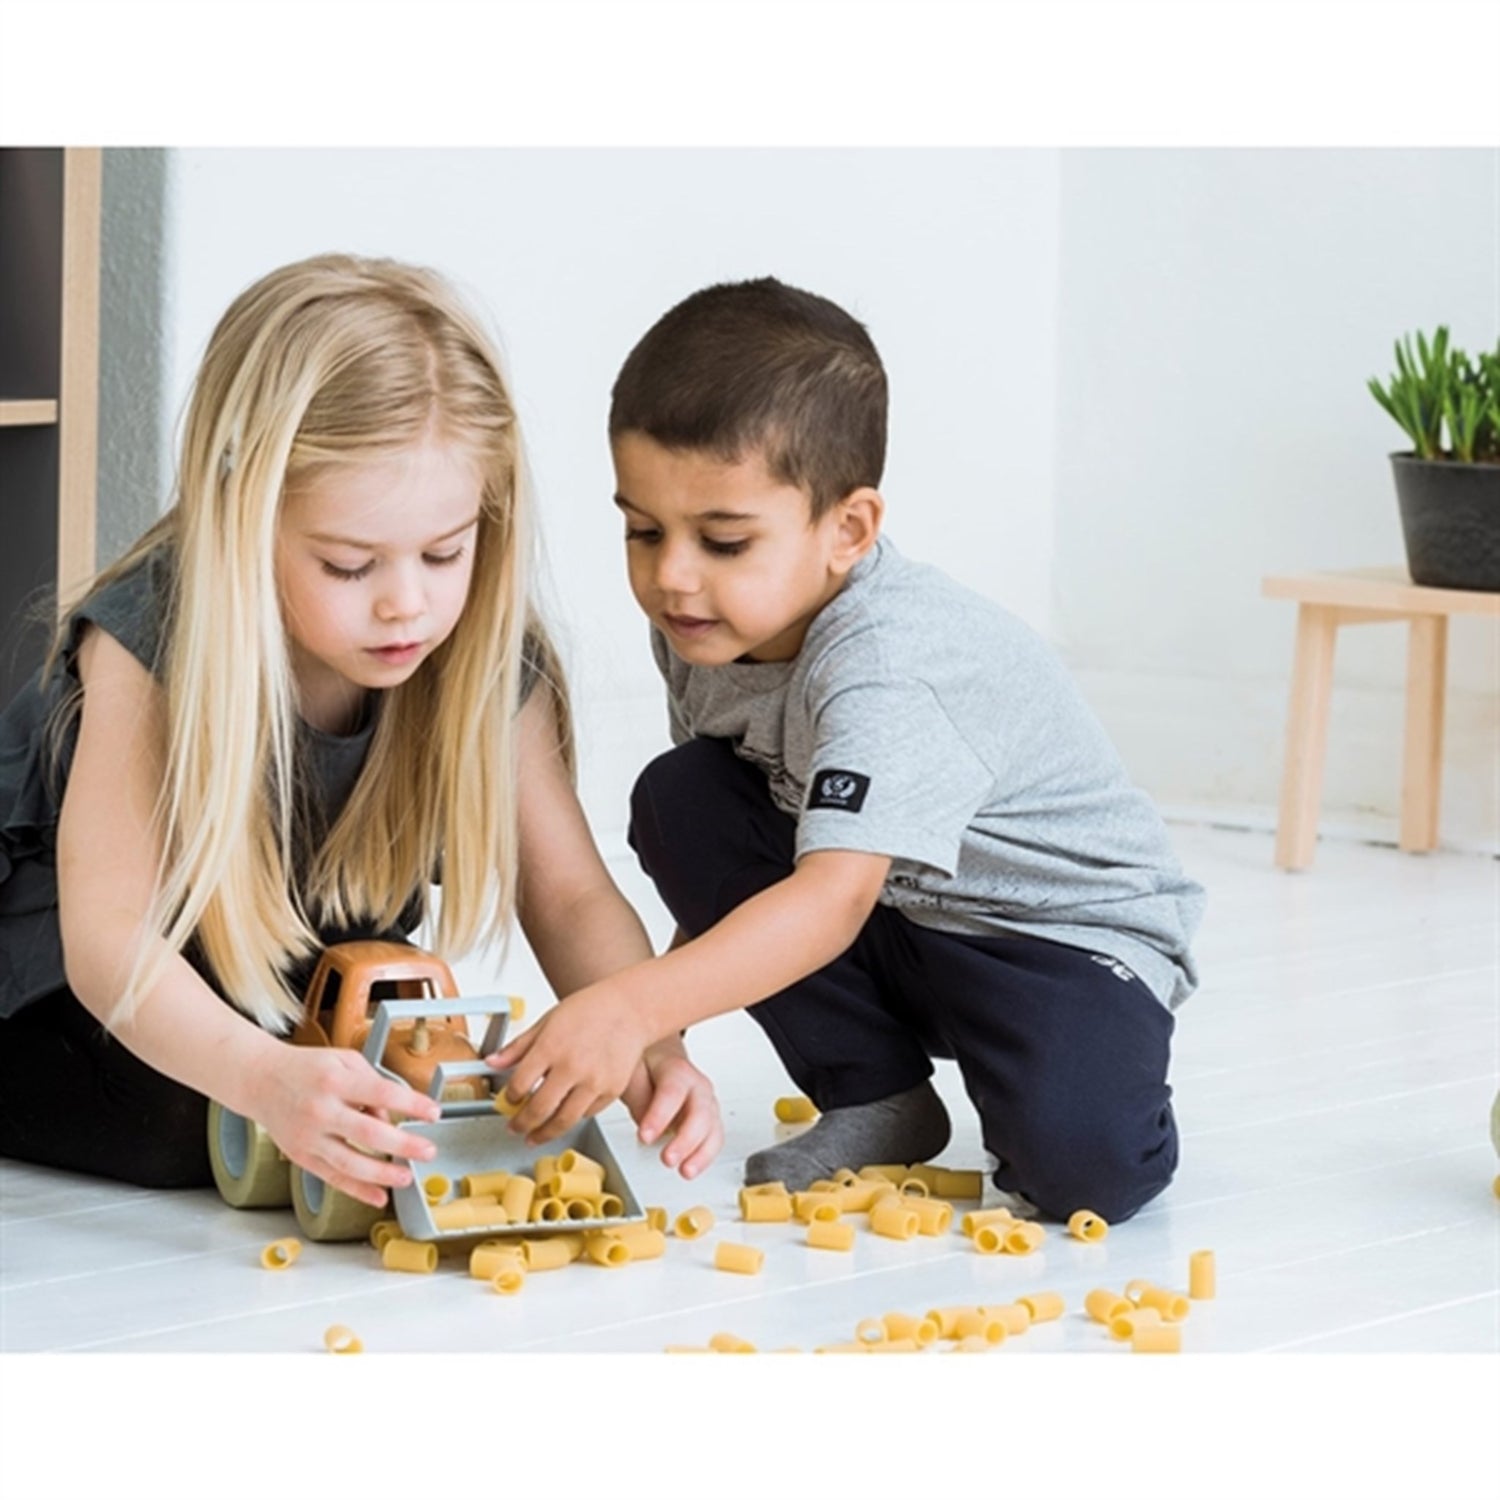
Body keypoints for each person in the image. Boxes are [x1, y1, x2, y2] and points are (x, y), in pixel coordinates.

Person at [0, 253, 721, 1207]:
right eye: (349, 565)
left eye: (444, 553)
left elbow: (570, 894)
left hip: (278, 962)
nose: (406, 605)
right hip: (60, 982)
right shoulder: (149, 638)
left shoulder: (480, 654)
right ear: (243, 521)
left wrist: (649, 1041)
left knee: (407, 1078)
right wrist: (261, 1078)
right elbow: (108, 941)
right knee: (180, 1119)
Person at [492, 276, 1204, 1223]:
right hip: (901, 916)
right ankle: (877, 1094)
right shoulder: (707, 628)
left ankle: (1081, 1081)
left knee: (1084, 1176)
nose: (673, 577)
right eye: (643, 530)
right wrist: (657, 1042)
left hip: (1052, 941)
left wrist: (631, 1007)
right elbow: (740, 858)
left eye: (724, 541)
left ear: (849, 530)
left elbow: (829, 903)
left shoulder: (890, 663)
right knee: (684, 795)